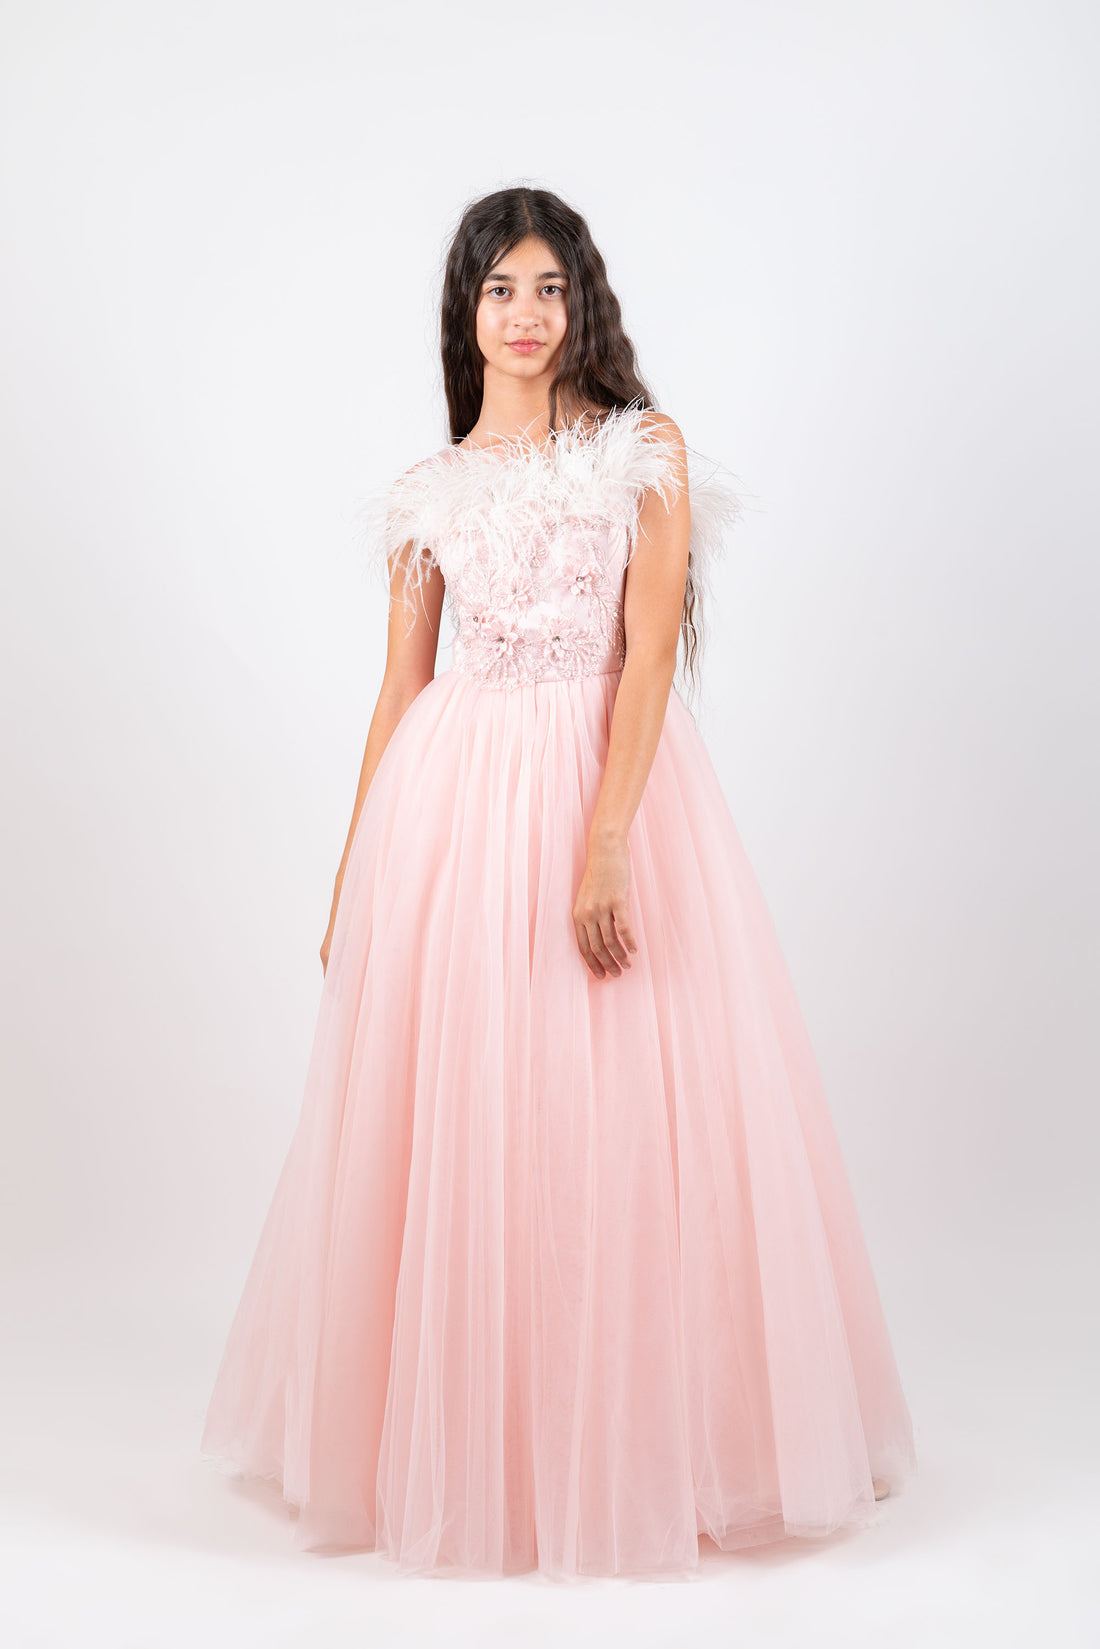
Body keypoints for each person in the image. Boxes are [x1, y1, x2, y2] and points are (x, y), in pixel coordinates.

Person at [200, 185, 917, 1581]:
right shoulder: (427, 494)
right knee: (474, 1117)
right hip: (454, 812)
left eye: (548, 287)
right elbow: (400, 688)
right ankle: (487, 1449)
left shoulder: (641, 452)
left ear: (581, 300)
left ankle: (651, 1444)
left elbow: (646, 659)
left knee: (624, 1105)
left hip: (605, 790)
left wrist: (605, 839)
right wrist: (352, 877)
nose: (525, 316)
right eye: (499, 290)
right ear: (465, 314)